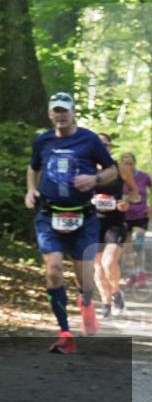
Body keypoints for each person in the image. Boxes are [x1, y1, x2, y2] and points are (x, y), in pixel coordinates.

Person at [25, 93, 118, 353]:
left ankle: (85, 301)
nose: (61, 115)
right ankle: (65, 333)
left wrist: (95, 179)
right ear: (50, 114)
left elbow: (112, 169)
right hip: (49, 214)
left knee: (85, 279)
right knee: (53, 269)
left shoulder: (89, 139)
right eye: (56, 110)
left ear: (73, 112)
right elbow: (33, 167)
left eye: (65, 110)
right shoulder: (43, 140)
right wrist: (31, 190)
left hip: (83, 216)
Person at [92, 134, 131, 318]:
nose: (102, 147)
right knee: (98, 267)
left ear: (110, 148)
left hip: (115, 223)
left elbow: (135, 193)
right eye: (97, 145)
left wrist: (127, 202)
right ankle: (106, 304)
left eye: (105, 145)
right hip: (92, 223)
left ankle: (116, 293)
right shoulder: (85, 169)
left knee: (109, 262)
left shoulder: (120, 168)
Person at [122, 152, 150, 289]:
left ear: (135, 163)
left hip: (140, 216)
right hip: (123, 217)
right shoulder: (118, 178)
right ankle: (132, 275)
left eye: (130, 163)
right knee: (127, 249)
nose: (128, 166)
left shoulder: (144, 177)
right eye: (125, 163)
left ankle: (141, 275)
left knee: (138, 244)